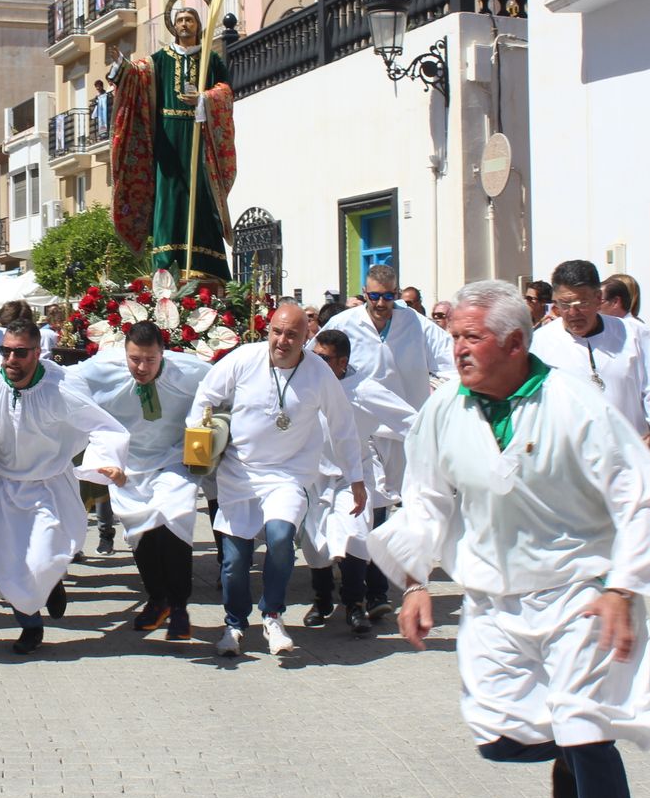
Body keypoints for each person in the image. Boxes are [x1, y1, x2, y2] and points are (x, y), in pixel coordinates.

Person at [370, 280, 650, 798]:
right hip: (494, 600)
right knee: (502, 738)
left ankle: (579, 753)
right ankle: (568, 752)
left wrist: (620, 588)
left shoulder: (576, 405)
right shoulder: (443, 411)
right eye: (454, 336)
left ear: (514, 344)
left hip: (579, 594)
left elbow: (638, 496)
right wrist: (414, 584)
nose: (456, 348)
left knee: (586, 729)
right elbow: (425, 498)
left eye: (470, 337)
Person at [189, 300, 366, 656]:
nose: (282, 341)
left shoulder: (319, 373)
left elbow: (343, 427)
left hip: (288, 473)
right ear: (267, 331)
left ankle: (272, 615)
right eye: (276, 331)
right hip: (240, 473)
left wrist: (357, 479)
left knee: (281, 536)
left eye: (292, 335)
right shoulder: (243, 359)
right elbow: (207, 395)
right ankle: (234, 625)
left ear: (305, 337)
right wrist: (197, 442)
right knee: (235, 563)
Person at [0, 319, 129, 654]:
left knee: (43, 559)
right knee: (8, 563)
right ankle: (31, 626)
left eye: (20, 352)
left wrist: (105, 462)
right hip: (3, 486)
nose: (11, 359)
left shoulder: (61, 388)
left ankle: (49, 583)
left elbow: (103, 427)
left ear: (37, 353)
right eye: (5, 351)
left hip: (48, 488)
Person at [69, 322, 209, 640]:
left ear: (164, 354)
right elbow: (64, 382)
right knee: (140, 533)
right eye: (135, 359)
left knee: (174, 521)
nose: (142, 367)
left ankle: (180, 607)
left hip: (173, 460)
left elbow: (225, 384)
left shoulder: (191, 370)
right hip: (129, 466)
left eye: (150, 360)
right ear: (125, 353)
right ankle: (157, 599)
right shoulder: (102, 368)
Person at [111, 0, 236, 281]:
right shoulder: (160, 59)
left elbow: (226, 92)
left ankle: (205, 260)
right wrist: (121, 66)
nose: (184, 24)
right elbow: (136, 76)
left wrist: (203, 98)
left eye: (189, 20)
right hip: (167, 138)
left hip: (197, 134)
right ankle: (166, 262)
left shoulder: (210, 59)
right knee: (168, 197)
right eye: (179, 20)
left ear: (198, 25)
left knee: (199, 195)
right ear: (173, 25)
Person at [304, 328, 416, 634]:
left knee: (354, 537)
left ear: (342, 363)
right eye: (313, 355)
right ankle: (322, 600)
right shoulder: (303, 383)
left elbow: (409, 420)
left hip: (353, 477)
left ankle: (355, 604)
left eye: (324, 359)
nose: (316, 363)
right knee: (315, 543)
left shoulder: (363, 390)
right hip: (315, 477)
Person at [531, 260, 650, 477]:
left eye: (582, 304)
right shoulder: (540, 344)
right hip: (571, 466)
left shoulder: (633, 334)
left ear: (598, 299)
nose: (573, 313)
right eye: (564, 305)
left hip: (631, 459)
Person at [325, 263, 453, 498]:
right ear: (365, 293)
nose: (381, 303)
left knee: (407, 497)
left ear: (396, 293)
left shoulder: (416, 324)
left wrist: (437, 390)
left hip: (404, 429)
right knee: (366, 498)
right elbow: (317, 361)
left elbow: (450, 362)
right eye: (374, 296)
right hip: (360, 429)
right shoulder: (344, 324)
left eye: (387, 296)